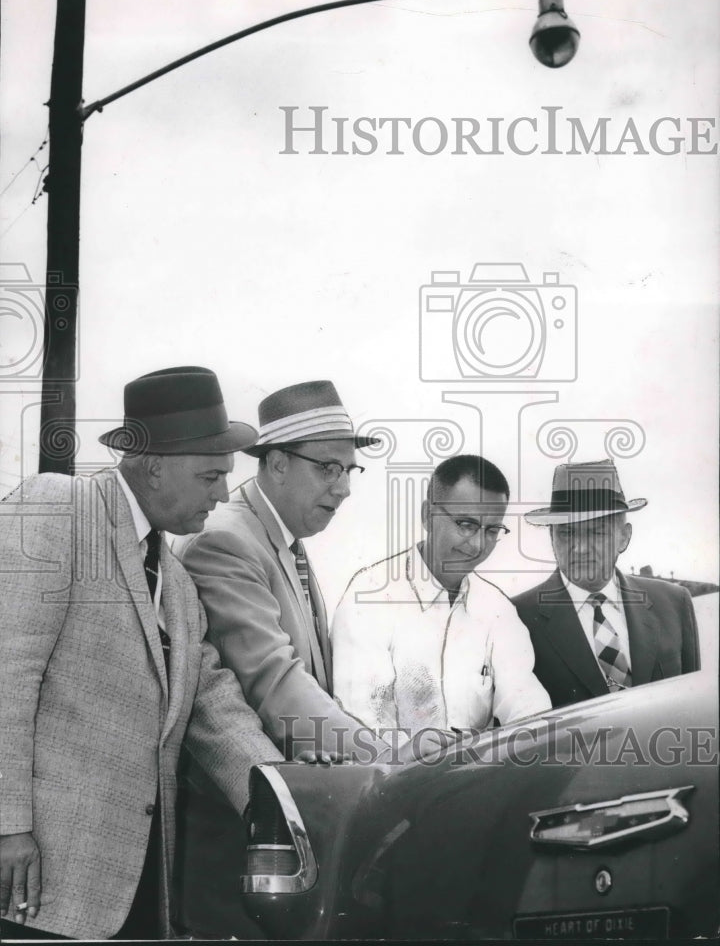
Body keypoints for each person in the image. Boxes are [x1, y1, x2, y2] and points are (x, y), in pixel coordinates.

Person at [0, 366, 285, 942]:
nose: (222, 494)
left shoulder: (177, 583)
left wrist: (280, 796)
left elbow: (215, 708)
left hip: (136, 894)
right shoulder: (57, 506)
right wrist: (7, 828)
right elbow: (6, 674)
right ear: (154, 466)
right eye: (211, 475)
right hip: (33, 883)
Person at [173, 379, 403, 938]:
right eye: (328, 468)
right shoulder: (226, 540)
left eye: (350, 470)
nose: (344, 488)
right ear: (275, 464)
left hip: (278, 831)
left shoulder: (279, 541)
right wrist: (389, 767)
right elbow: (274, 684)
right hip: (238, 838)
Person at [332, 454, 551, 737]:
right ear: (428, 516)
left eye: (492, 530)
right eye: (466, 525)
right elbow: (363, 726)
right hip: (393, 777)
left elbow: (527, 705)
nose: (477, 545)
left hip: (480, 776)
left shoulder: (498, 609)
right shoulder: (369, 596)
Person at [512, 459, 700, 708]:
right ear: (551, 537)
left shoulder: (675, 602)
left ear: (624, 537)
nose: (579, 548)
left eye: (597, 532)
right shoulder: (516, 618)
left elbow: (694, 710)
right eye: (567, 533)